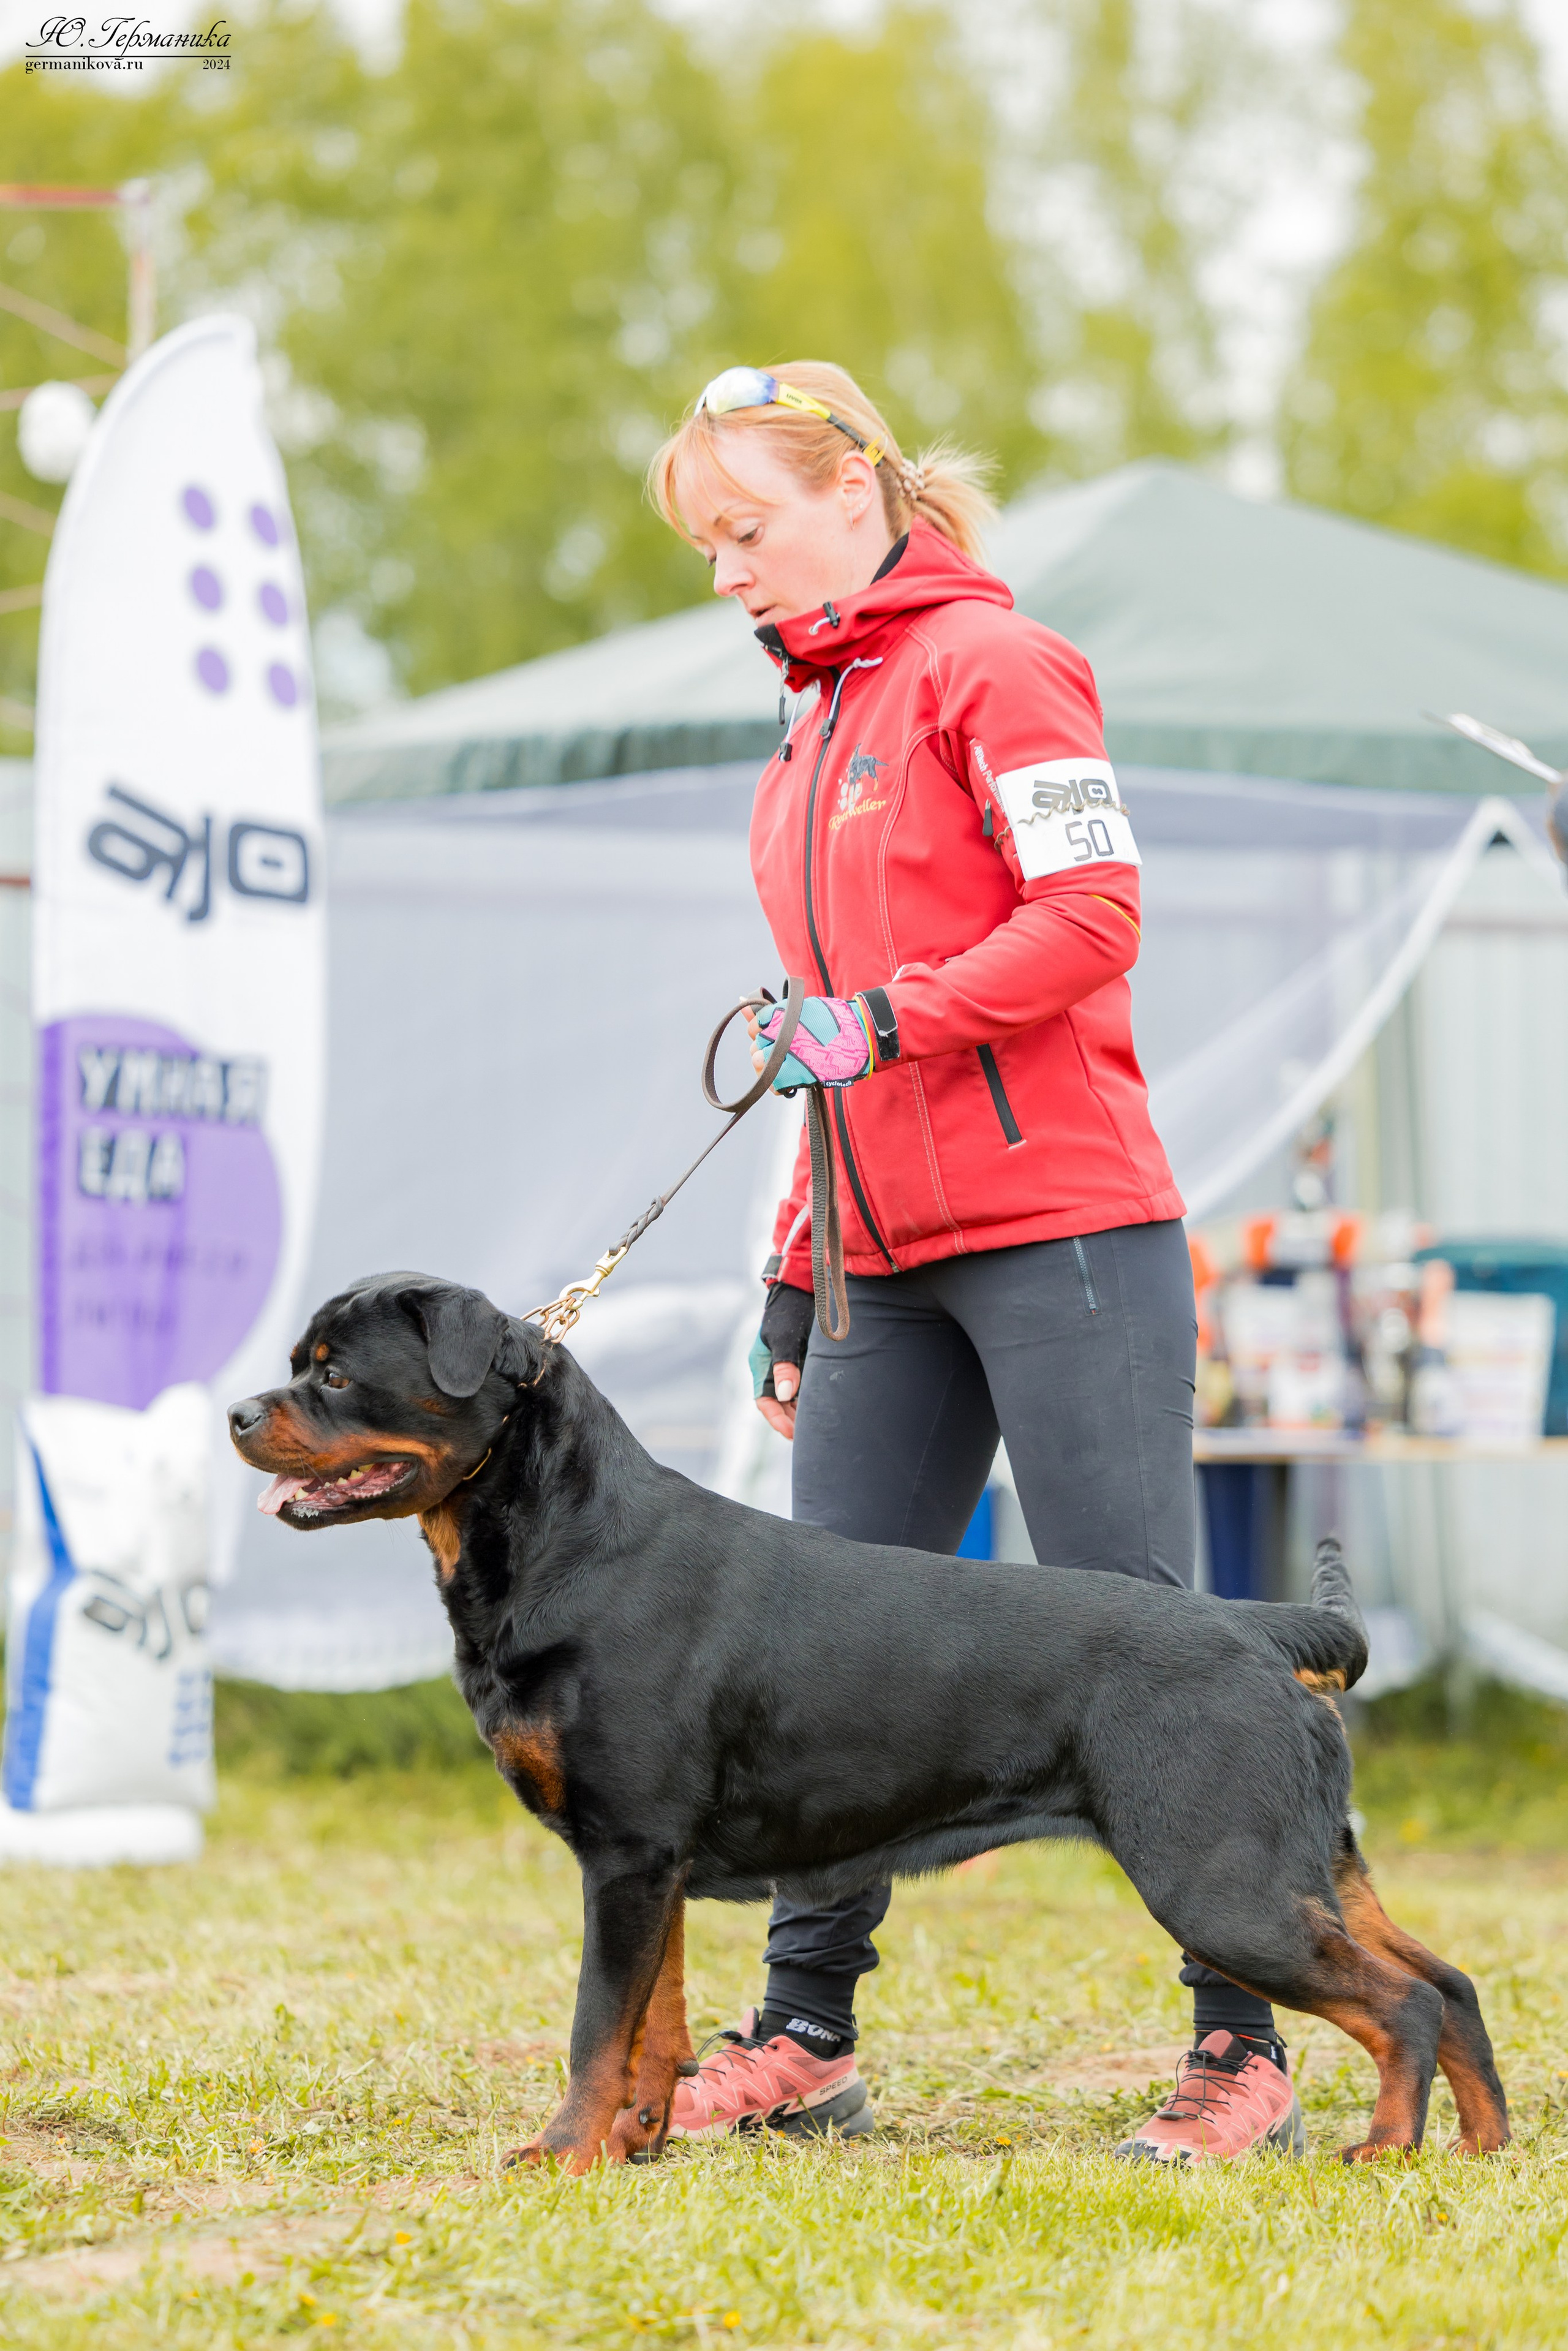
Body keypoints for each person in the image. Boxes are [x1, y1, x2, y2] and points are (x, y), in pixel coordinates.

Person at [644, 362, 1302, 2167]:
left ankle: (1243, 2046)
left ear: (858, 493)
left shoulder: (1000, 668)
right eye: (709, 547)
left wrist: (893, 1018)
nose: (725, 576)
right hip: (878, 1261)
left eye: (745, 531)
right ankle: (808, 2035)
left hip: (1068, 1229)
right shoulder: (811, 722)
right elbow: (813, 1044)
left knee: (1148, 1646)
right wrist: (796, 1259)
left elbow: (1093, 922)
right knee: (817, 1652)